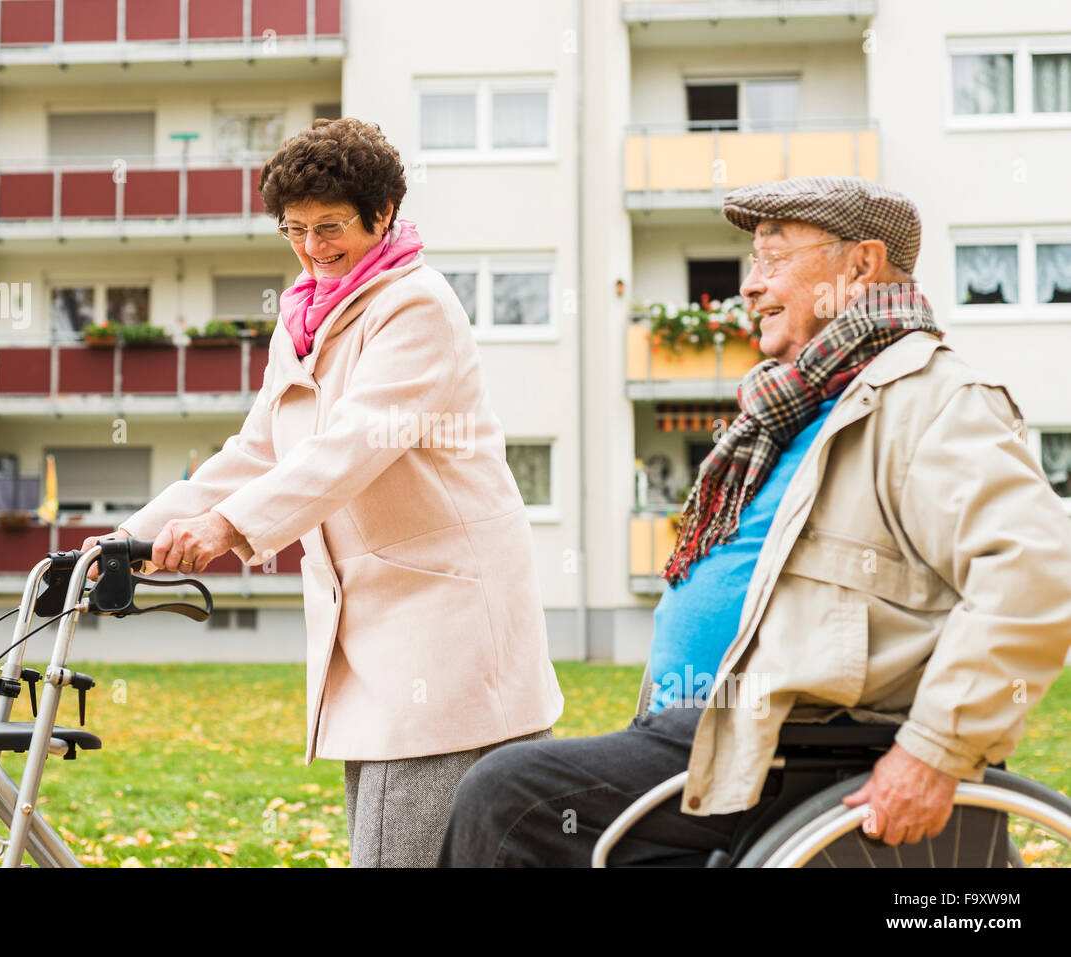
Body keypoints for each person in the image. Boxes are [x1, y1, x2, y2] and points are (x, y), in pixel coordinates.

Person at [439, 175, 1071, 867]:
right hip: (722, 737)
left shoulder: (933, 398)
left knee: (511, 796)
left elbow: (1033, 569)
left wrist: (935, 749)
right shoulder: (793, 406)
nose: (749, 284)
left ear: (859, 266)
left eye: (774, 259)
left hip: (803, 750)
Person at [84, 117, 563, 868]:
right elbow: (258, 448)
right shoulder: (305, 317)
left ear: (383, 216)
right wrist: (124, 537)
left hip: (446, 623)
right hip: (373, 624)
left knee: (398, 851)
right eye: (295, 229)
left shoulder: (417, 306)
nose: (312, 248)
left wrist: (225, 528)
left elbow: (355, 444)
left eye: (331, 227)